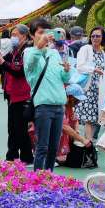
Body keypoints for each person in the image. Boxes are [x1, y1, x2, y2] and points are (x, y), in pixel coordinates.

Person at [23, 18, 71, 171]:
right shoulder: (29, 52)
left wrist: (66, 71)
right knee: (42, 146)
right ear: (32, 35)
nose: (44, 35)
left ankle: (49, 177)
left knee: (54, 148)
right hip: (43, 105)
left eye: (46, 32)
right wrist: (39, 46)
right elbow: (30, 66)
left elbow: (63, 79)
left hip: (59, 105)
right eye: (40, 32)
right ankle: (38, 178)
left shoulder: (54, 53)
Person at [0, 24, 34, 165]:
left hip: (23, 95)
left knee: (20, 129)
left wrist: (2, 62)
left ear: (24, 36)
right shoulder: (14, 50)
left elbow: (19, 71)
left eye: (15, 35)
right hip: (12, 94)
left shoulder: (27, 51)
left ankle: (26, 157)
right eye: (11, 35)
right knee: (13, 128)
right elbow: (1, 65)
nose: (12, 37)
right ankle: (12, 156)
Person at [74, 26, 105, 142]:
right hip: (87, 89)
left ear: (103, 38)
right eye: (93, 36)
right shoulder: (86, 49)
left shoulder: (103, 54)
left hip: (98, 91)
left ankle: (88, 143)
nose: (95, 38)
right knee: (88, 119)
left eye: (98, 36)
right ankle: (88, 144)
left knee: (95, 118)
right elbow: (79, 66)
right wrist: (94, 69)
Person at [56, 84, 97, 167]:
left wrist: (76, 132)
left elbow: (75, 121)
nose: (78, 102)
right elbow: (64, 127)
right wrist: (82, 140)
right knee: (63, 131)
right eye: (77, 99)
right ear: (70, 97)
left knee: (72, 134)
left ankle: (59, 154)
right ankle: (53, 155)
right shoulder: (60, 105)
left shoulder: (69, 107)